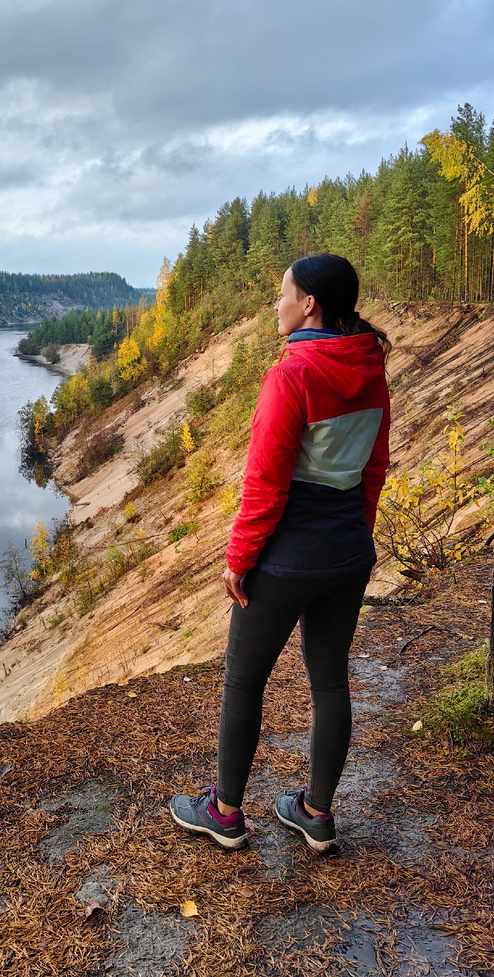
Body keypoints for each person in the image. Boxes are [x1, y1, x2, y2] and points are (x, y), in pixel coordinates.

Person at [170, 253, 390, 855]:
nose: (276, 304)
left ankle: (224, 812)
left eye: (283, 294)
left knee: (243, 681)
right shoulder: (372, 366)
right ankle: (315, 814)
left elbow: (265, 484)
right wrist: (352, 536)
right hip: (347, 550)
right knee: (329, 682)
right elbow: (373, 467)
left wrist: (239, 558)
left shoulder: (292, 374)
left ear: (310, 304)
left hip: (288, 557)